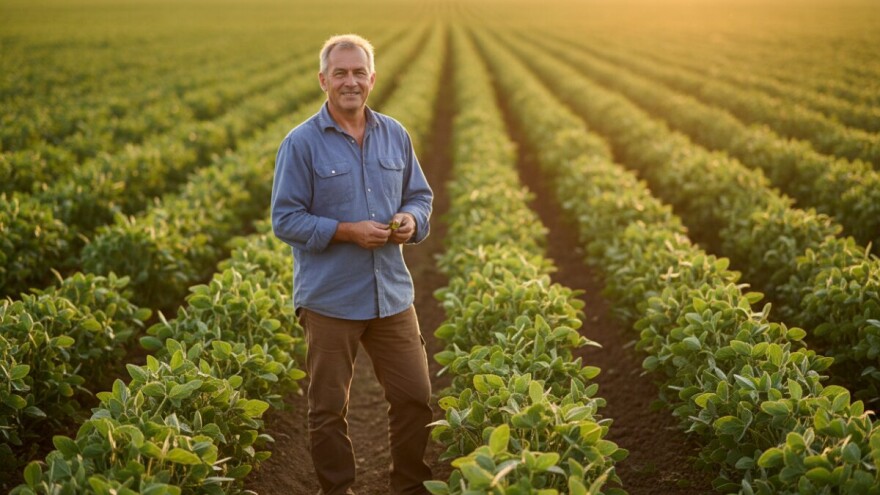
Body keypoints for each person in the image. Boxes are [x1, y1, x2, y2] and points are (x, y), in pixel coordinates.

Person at [270, 33, 434, 495]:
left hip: (391, 295)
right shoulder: (300, 144)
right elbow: (285, 219)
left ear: (372, 79)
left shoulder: (395, 134)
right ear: (323, 80)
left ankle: (408, 486)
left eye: (359, 72)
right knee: (326, 410)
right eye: (340, 73)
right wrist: (346, 231)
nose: (350, 81)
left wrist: (408, 219)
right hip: (330, 298)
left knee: (415, 398)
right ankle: (337, 489)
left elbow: (420, 196)